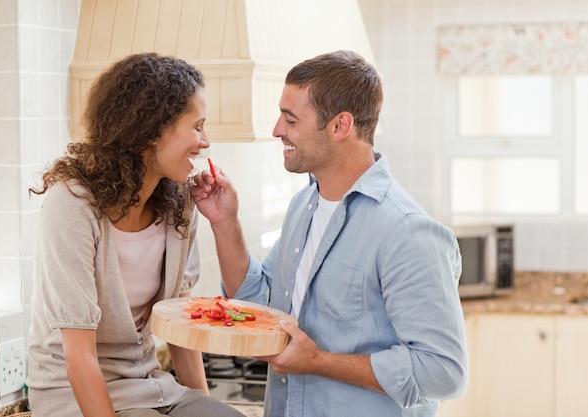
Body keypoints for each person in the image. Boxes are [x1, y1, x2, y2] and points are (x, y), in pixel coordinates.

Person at [191, 50, 468, 417]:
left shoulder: (405, 231)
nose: (276, 130)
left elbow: (444, 371)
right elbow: (261, 307)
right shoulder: (303, 205)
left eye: (290, 119)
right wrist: (225, 223)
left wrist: (318, 361)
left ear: (340, 126)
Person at [26, 52, 244, 417]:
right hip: (73, 394)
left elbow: (179, 325)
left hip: (151, 386)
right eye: (197, 126)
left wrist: (206, 407)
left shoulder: (180, 204)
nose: (205, 141)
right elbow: (78, 356)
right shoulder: (73, 204)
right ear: (154, 130)